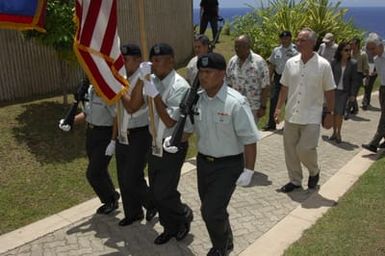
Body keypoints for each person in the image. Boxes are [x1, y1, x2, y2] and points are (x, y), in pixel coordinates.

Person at [164, 52, 260, 256]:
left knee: (210, 211)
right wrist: (172, 139)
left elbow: (250, 139)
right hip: (204, 164)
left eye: (208, 72)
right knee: (214, 209)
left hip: (228, 165)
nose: (203, 76)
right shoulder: (196, 101)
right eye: (201, 72)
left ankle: (220, 248)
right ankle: (228, 240)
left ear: (222, 74)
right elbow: (188, 130)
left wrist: (249, 170)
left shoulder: (235, 102)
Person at [141, 43, 193, 245]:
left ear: (170, 60)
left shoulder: (180, 86)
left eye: (157, 60)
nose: (154, 64)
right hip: (154, 142)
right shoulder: (151, 80)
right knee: (156, 190)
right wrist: (143, 78)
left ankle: (182, 217)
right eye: (152, 61)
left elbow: (170, 121)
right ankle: (169, 225)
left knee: (164, 190)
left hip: (173, 144)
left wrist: (154, 94)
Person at [274, 28, 335, 193]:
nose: (298, 43)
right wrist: (279, 108)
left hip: (312, 116)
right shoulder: (290, 63)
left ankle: (314, 171)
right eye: (298, 40)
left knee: (305, 149)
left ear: (313, 43)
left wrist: (330, 113)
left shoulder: (323, 65)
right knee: (290, 151)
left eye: (302, 40)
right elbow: (284, 87)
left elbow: (330, 91)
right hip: (292, 114)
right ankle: (295, 181)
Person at [107, 43, 157, 226]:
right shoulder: (123, 77)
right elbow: (117, 111)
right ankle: (133, 212)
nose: (123, 64)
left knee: (132, 176)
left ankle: (153, 203)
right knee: (123, 177)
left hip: (139, 134)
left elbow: (132, 106)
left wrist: (117, 87)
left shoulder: (144, 79)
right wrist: (113, 139)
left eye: (126, 60)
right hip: (123, 134)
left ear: (137, 60)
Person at [58, 84, 120, 214]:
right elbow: (86, 113)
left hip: (105, 134)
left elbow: (116, 118)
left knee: (92, 173)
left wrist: (113, 141)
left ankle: (109, 200)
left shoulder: (106, 91)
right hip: (91, 134)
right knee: (99, 169)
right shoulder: (90, 90)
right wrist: (69, 121)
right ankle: (112, 196)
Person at [226, 35, 270, 124]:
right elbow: (228, 84)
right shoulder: (232, 62)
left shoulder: (259, 62)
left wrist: (263, 107)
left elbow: (265, 86)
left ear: (248, 47)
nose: (237, 49)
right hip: (235, 106)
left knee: (249, 135)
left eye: (240, 46)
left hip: (252, 107)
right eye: (236, 46)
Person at [264, 31, 298, 131]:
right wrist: (269, 78)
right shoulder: (276, 50)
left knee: (289, 101)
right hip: (278, 77)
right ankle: (271, 124)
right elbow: (272, 65)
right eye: (282, 38)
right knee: (274, 99)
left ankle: (288, 125)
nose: (284, 40)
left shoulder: (295, 50)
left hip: (291, 78)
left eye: (286, 38)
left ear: (290, 38)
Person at [329, 42, 359, 143]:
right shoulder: (334, 62)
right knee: (333, 112)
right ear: (341, 51)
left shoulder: (353, 63)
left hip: (344, 92)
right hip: (333, 91)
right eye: (346, 50)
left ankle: (338, 133)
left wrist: (353, 94)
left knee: (340, 113)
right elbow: (329, 77)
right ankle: (333, 132)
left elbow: (355, 80)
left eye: (349, 50)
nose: (348, 52)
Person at [362, 33, 385, 153]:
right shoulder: (376, 59)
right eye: (369, 49)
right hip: (382, 88)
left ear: (380, 45)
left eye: (373, 48)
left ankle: (374, 143)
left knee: (384, 116)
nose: (371, 51)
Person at [346, 37, 369, 117]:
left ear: (357, 45)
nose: (351, 45)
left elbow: (366, 67)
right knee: (350, 92)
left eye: (352, 44)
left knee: (353, 93)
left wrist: (367, 78)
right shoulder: (349, 53)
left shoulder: (363, 54)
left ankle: (347, 110)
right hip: (349, 75)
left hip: (358, 75)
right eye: (350, 44)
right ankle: (355, 108)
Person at [362, 34, 379, 110]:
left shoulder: (378, 50)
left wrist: (376, 71)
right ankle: (365, 100)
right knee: (366, 85)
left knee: (369, 85)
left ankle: (366, 101)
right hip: (366, 67)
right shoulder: (364, 49)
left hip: (374, 68)